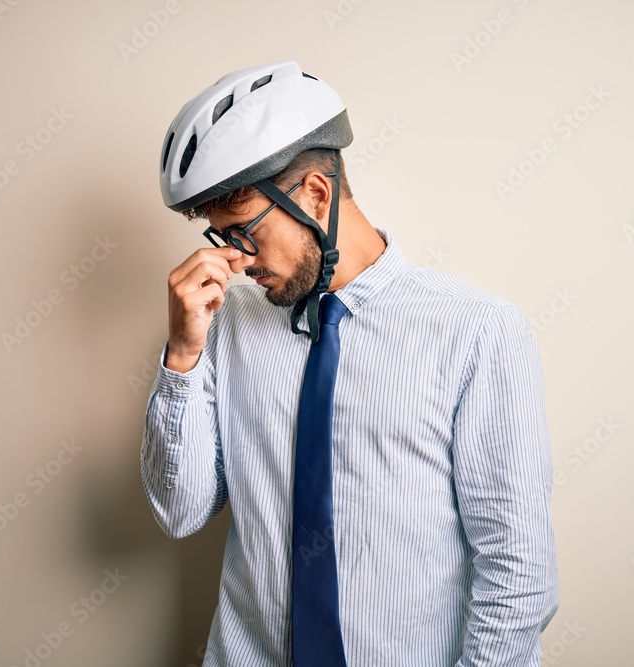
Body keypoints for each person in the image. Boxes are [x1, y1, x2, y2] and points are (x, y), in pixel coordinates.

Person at [141, 60, 559, 666]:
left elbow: (516, 567)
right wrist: (182, 355)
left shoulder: (476, 331)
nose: (236, 261)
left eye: (243, 232)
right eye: (221, 237)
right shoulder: (224, 323)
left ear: (314, 193)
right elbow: (179, 513)